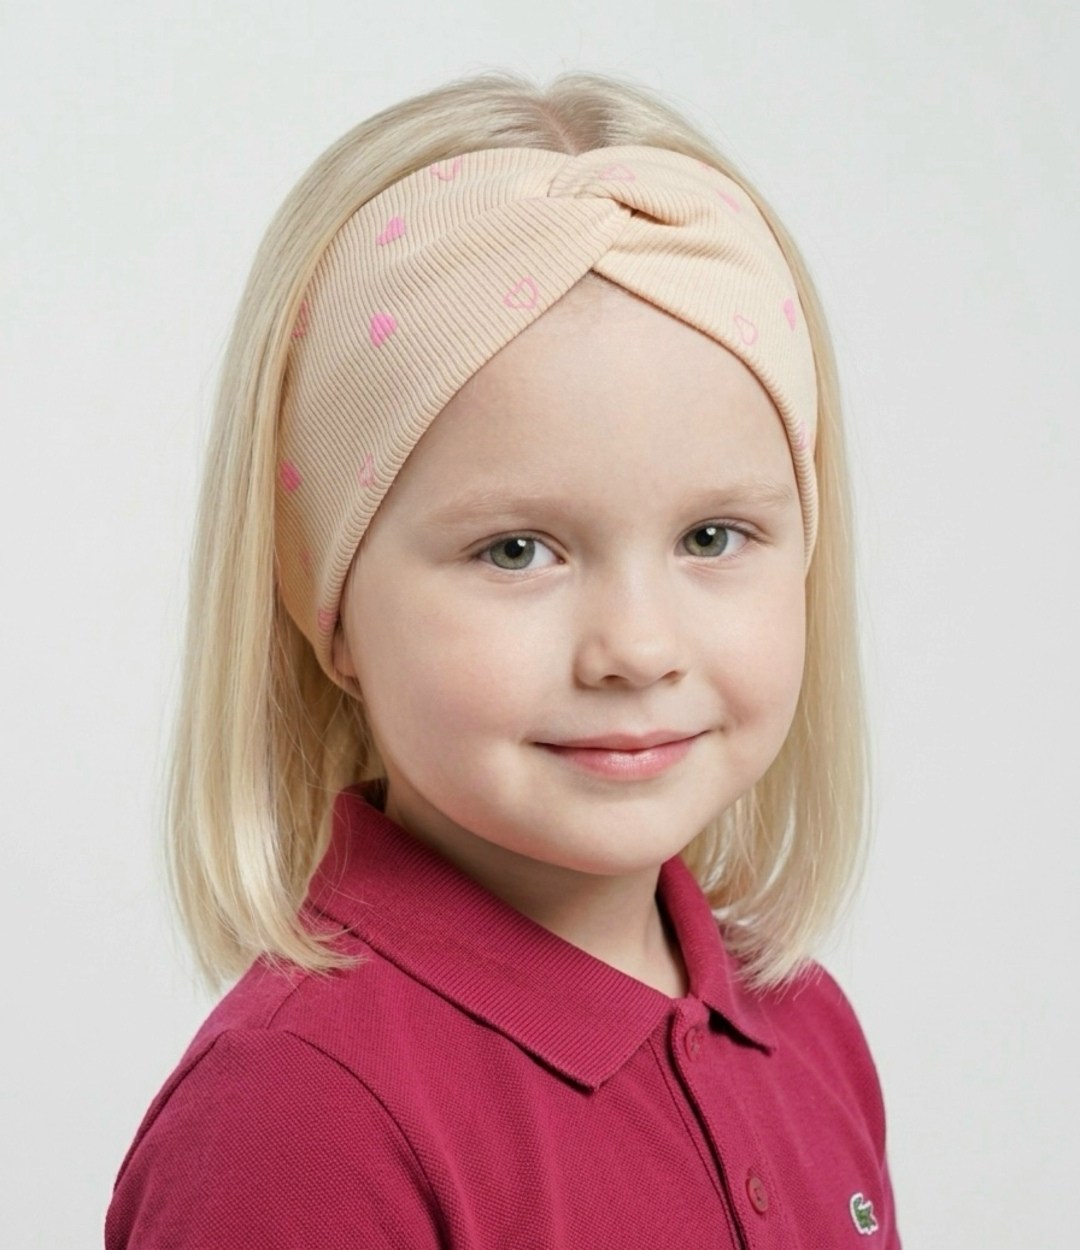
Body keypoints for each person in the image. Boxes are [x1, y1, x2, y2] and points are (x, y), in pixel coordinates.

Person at [105, 67, 900, 1248]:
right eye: (517, 549)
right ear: (328, 602)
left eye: (712, 536)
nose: (636, 646)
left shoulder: (803, 1024)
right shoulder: (299, 1117)